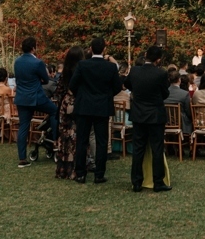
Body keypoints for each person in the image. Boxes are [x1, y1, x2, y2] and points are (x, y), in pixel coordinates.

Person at [70, 37, 122, 184]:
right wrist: (106, 95)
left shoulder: (82, 65)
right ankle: (99, 174)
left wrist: (81, 96)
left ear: (91, 49)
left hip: (84, 106)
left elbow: (73, 84)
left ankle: (80, 173)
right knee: (102, 142)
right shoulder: (110, 67)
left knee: (82, 141)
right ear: (104, 49)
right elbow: (118, 86)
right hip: (102, 107)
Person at [127, 45, 171, 193]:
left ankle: (136, 182)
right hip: (155, 115)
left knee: (138, 148)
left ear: (145, 55)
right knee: (157, 148)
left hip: (139, 114)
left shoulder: (134, 71)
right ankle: (158, 182)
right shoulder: (161, 74)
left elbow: (127, 85)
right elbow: (165, 93)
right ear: (158, 60)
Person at [13, 37, 58, 169]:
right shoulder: (37, 63)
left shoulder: (17, 62)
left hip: (21, 97)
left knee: (23, 127)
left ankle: (22, 158)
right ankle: (55, 140)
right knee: (54, 111)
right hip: (36, 97)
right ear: (34, 48)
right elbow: (46, 80)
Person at [54, 46, 84, 180]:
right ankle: (75, 168)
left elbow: (59, 91)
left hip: (65, 105)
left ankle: (63, 168)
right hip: (77, 104)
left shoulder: (64, 73)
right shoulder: (81, 72)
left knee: (64, 136)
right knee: (77, 136)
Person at [164, 68, 193, 140]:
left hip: (166, 122)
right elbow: (189, 112)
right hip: (181, 124)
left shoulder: (163, 93)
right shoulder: (184, 94)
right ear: (179, 80)